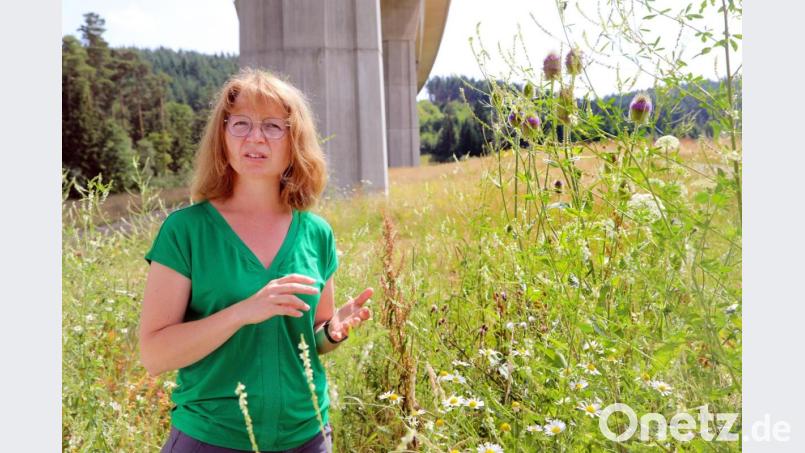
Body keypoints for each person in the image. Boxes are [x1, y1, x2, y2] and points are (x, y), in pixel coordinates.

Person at [139, 68, 373, 453]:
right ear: (223, 138)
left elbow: (313, 340)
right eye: (241, 124)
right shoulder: (186, 231)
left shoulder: (317, 233)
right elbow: (154, 354)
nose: (255, 137)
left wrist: (331, 331)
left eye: (272, 126)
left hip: (307, 437)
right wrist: (244, 311)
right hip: (210, 438)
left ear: (294, 140)